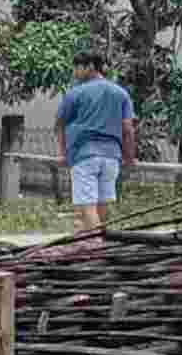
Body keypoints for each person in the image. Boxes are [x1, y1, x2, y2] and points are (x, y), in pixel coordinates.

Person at [55, 50, 137, 232]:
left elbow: (59, 124)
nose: (74, 73)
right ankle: (94, 242)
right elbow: (128, 129)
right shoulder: (121, 93)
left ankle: (98, 246)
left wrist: (62, 153)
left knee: (87, 208)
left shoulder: (75, 93)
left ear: (90, 67)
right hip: (112, 158)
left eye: (77, 68)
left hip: (85, 156)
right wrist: (129, 158)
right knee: (102, 206)